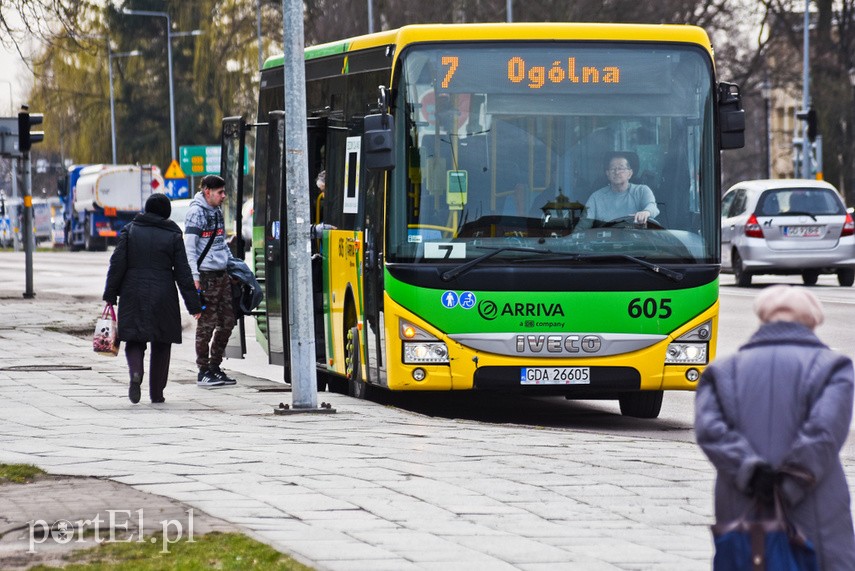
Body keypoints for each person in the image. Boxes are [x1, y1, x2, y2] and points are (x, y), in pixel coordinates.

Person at [695, 285, 855, 569]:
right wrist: (788, 485)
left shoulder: (722, 371)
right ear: (813, 321)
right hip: (815, 504)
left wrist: (752, 473)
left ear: (763, 319)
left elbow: (710, 431)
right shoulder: (833, 367)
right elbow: (824, 433)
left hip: (742, 499)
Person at [103, 194, 202, 404]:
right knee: (162, 342)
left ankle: (136, 374)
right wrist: (194, 305)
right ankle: (157, 394)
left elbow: (117, 263)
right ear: (166, 212)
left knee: (134, 339)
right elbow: (183, 272)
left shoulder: (130, 230)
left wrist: (110, 295)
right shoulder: (173, 234)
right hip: (163, 292)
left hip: (133, 291)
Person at [183, 175, 237, 389]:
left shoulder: (216, 212)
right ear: (207, 191)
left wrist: (231, 265)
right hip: (205, 277)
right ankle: (203, 370)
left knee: (228, 321)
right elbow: (189, 247)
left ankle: (215, 366)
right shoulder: (196, 214)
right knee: (206, 324)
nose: (223, 196)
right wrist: (194, 278)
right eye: (220, 192)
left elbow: (220, 243)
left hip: (221, 275)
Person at [575, 152, 659, 229]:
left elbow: (652, 207)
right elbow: (582, 227)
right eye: (612, 169)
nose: (617, 172)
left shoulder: (642, 191)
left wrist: (645, 212)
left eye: (621, 168)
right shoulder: (596, 198)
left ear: (630, 173)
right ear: (607, 173)